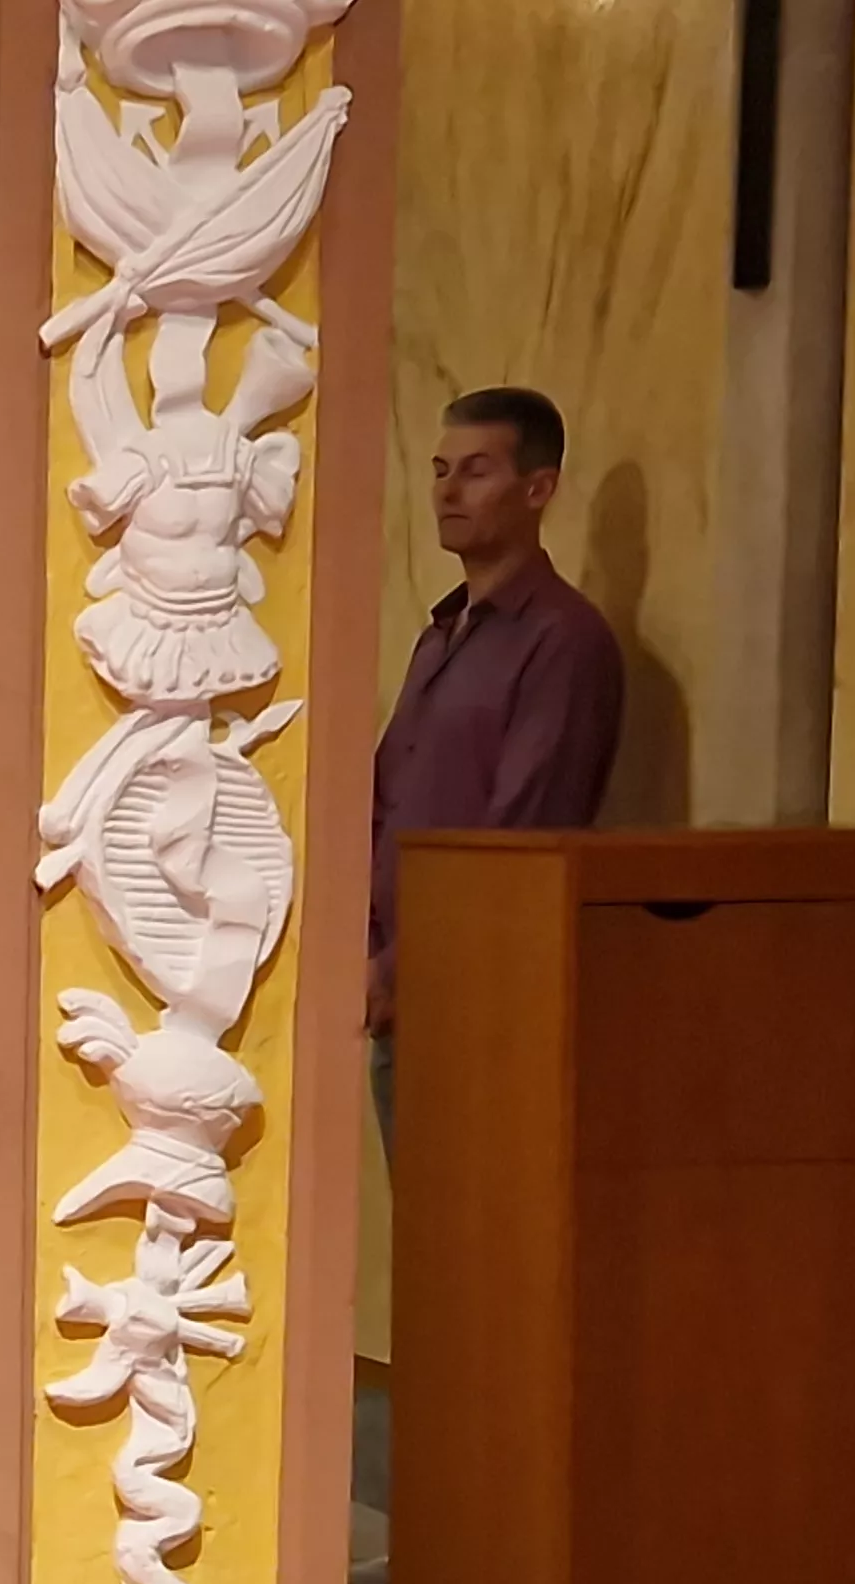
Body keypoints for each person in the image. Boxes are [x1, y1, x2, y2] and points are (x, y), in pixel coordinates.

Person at [365, 384, 626, 1134]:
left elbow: (523, 834)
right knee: (426, 1238)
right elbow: (387, 796)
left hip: (483, 1000)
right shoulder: (442, 635)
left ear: (538, 488)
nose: (448, 491)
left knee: (475, 1236)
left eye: (477, 471)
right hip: (401, 997)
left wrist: (404, 966)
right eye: (441, 469)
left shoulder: (563, 643)